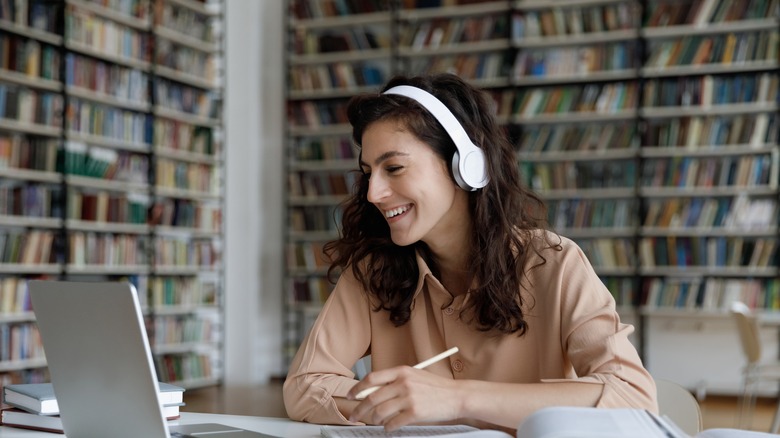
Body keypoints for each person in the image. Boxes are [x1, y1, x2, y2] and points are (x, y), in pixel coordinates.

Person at [283, 73, 657, 432]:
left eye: (394, 168)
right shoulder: (372, 272)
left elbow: (634, 398)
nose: (373, 193)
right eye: (369, 173)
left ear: (466, 166)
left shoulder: (555, 263)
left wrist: (459, 399)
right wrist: (405, 404)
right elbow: (305, 386)